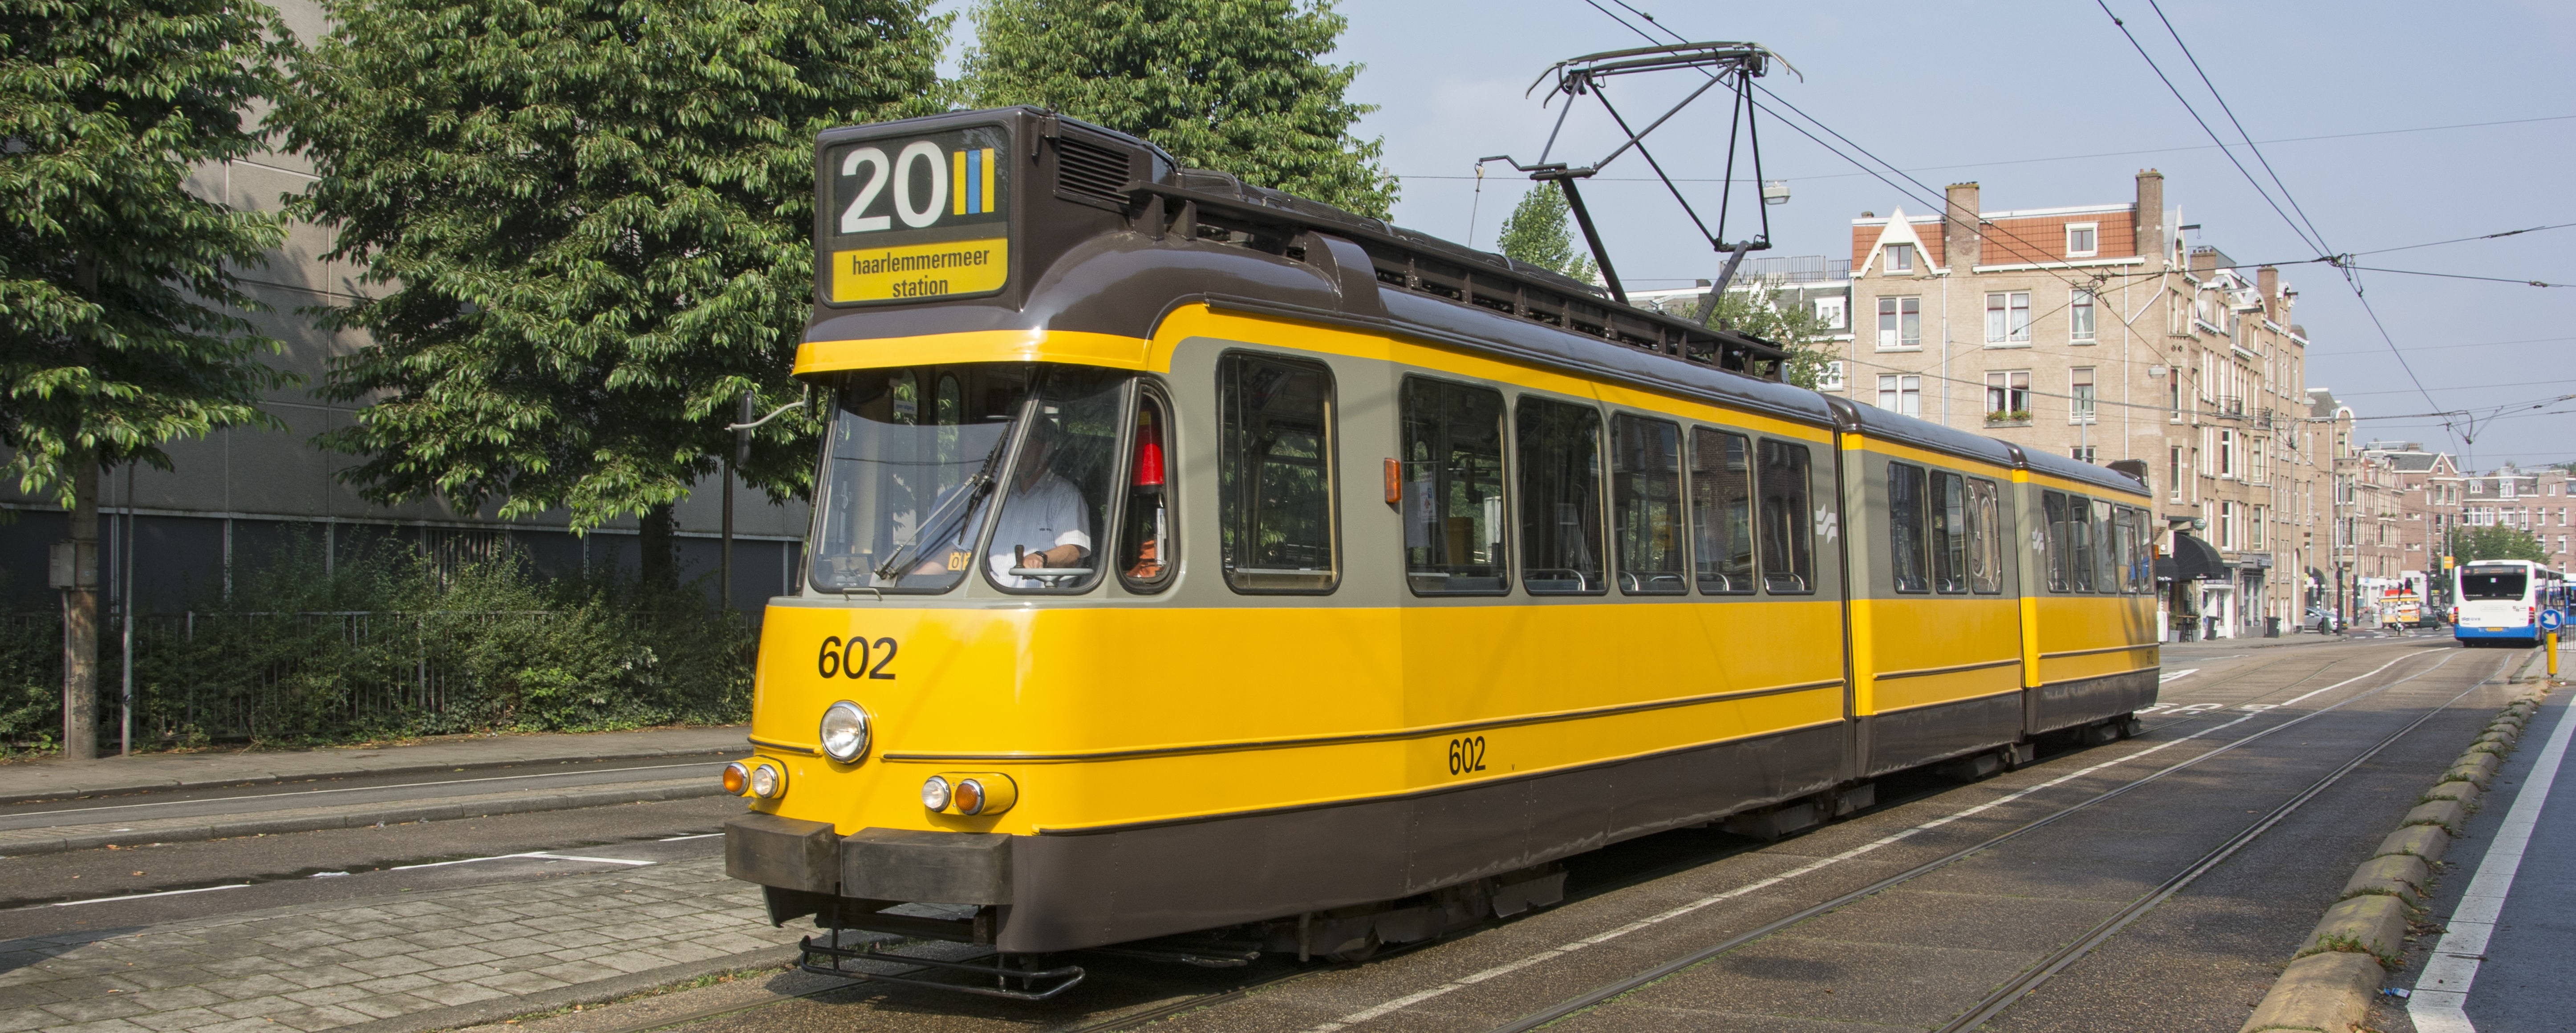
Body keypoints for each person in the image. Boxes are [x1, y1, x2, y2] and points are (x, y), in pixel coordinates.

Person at [987, 430, 1092, 588]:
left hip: (1042, 600)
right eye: (1012, 442)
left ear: (1047, 449)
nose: (1017, 449)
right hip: (988, 597)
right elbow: (964, 546)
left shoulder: (1064, 495)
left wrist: (1041, 557)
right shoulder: (999, 496)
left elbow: (1073, 552)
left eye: (1026, 440)